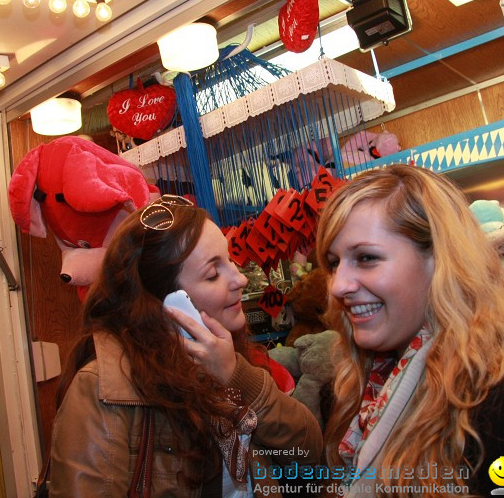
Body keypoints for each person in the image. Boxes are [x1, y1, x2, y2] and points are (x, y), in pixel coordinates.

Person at [315, 165, 504, 497]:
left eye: (366, 257)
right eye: (334, 263)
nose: (338, 286)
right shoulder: (364, 387)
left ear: (441, 261)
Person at [48, 195, 322, 497]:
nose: (240, 279)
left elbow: (310, 454)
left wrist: (237, 375)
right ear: (163, 302)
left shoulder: (232, 358)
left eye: (230, 261)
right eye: (213, 274)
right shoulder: (100, 389)